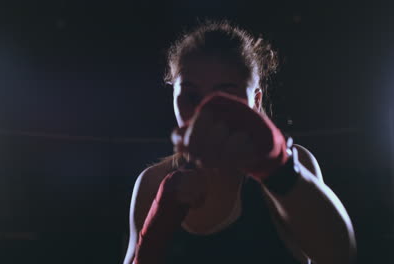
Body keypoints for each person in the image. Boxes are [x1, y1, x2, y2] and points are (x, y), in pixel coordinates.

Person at [123, 20, 357, 264]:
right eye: (191, 95)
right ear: (173, 94)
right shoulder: (152, 182)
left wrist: (279, 170)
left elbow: (339, 256)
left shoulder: (293, 165)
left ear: (255, 101)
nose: (205, 111)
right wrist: (157, 226)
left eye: (224, 96)